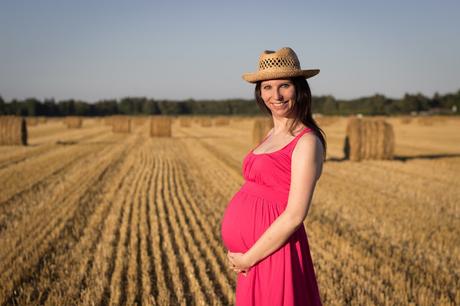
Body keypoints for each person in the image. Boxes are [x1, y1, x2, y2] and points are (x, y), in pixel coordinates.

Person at [220, 47, 326, 306]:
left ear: (299, 89)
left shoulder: (307, 141)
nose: (275, 95)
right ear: (259, 92)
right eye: (267, 87)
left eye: (284, 86)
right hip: (257, 256)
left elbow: (294, 215)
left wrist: (249, 257)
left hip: (275, 253)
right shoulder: (271, 134)